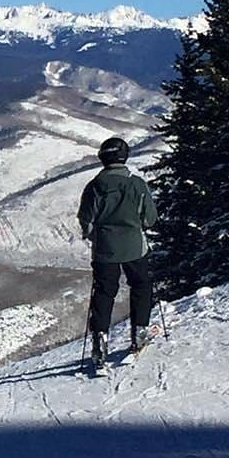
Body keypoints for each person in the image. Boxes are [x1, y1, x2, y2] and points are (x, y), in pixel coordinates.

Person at [77, 137, 158, 371]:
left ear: (103, 158)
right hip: (135, 247)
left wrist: (96, 237)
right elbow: (149, 219)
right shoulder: (137, 185)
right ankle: (140, 332)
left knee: (104, 292)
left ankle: (99, 340)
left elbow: (86, 220)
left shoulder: (94, 186)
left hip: (104, 249)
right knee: (141, 286)